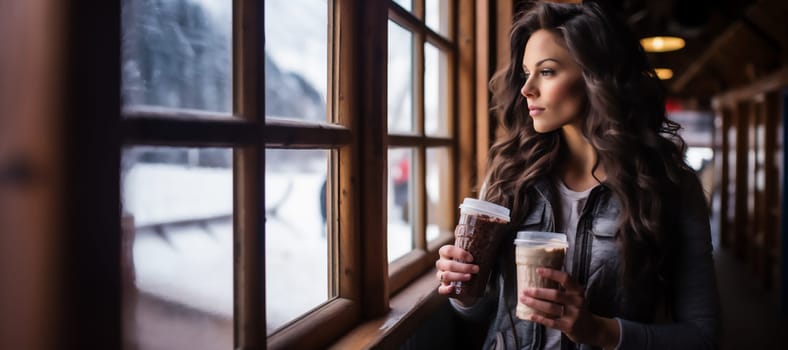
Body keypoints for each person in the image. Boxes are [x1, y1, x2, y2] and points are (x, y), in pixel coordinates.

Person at [434, 2, 720, 349]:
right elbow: (480, 313)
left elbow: (703, 336)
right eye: (526, 73)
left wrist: (598, 331)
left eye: (548, 71)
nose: (526, 89)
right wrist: (463, 286)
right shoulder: (509, 172)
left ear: (595, 76)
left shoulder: (667, 186)